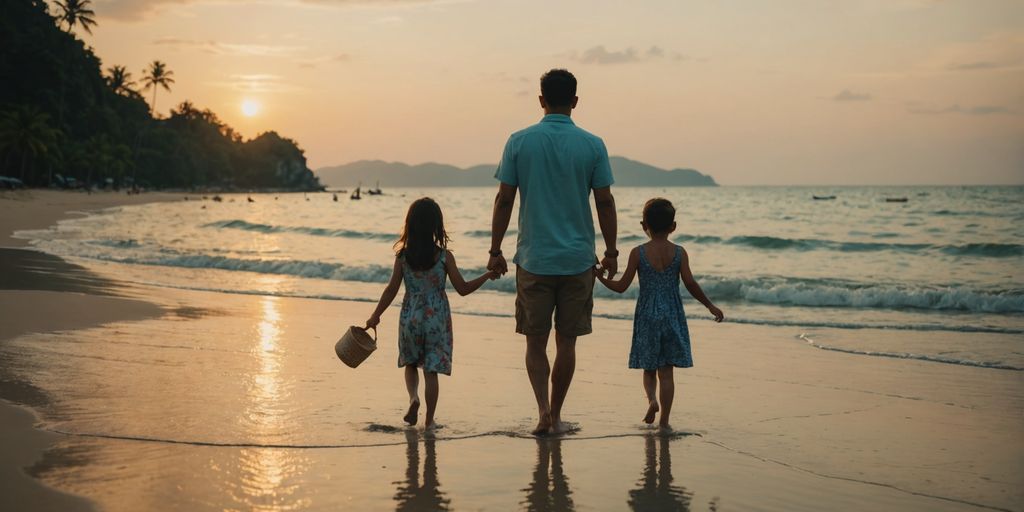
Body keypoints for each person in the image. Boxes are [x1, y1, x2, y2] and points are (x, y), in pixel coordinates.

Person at [489, 68, 618, 435]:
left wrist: (495, 249)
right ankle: (557, 414)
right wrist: (611, 252)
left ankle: (542, 411)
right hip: (578, 260)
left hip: (534, 259)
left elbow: (504, 200)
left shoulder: (519, 141)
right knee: (567, 342)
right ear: (575, 101)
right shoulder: (593, 145)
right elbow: (604, 203)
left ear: (541, 100)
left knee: (535, 341)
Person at [366, 197, 497, 429]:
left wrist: (376, 315)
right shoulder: (444, 257)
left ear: (410, 224)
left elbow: (391, 289)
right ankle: (429, 421)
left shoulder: (403, 257)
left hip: (410, 318)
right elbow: (463, 289)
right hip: (436, 319)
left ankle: (413, 398)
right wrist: (487, 276)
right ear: (437, 226)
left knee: (410, 364)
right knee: (431, 370)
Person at [596, 198, 724, 432]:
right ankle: (664, 421)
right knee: (667, 371)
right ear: (673, 226)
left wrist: (600, 277)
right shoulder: (679, 252)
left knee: (649, 367)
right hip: (672, 314)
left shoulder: (638, 253)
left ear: (643, 224)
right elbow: (690, 283)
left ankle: (652, 400)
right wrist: (710, 306)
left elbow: (622, 286)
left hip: (646, 314)